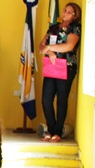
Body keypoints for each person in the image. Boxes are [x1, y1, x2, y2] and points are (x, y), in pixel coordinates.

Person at [39, 2, 82, 142]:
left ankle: (57, 132)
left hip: (66, 67)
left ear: (75, 15)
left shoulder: (75, 28)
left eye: (69, 12)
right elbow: (41, 46)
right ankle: (50, 130)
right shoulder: (53, 28)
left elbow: (69, 46)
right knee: (46, 99)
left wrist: (51, 47)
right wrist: (50, 51)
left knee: (62, 100)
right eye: (64, 11)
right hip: (51, 66)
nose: (65, 13)